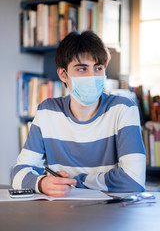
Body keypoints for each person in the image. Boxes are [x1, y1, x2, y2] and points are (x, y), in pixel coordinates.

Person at [11, 31, 146, 197]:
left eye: (98, 68)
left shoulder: (123, 109)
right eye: (82, 69)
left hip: (111, 214)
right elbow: (18, 173)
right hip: (60, 213)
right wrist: (42, 183)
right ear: (63, 75)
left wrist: (76, 181)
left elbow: (134, 180)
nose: (92, 76)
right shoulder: (47, 111)